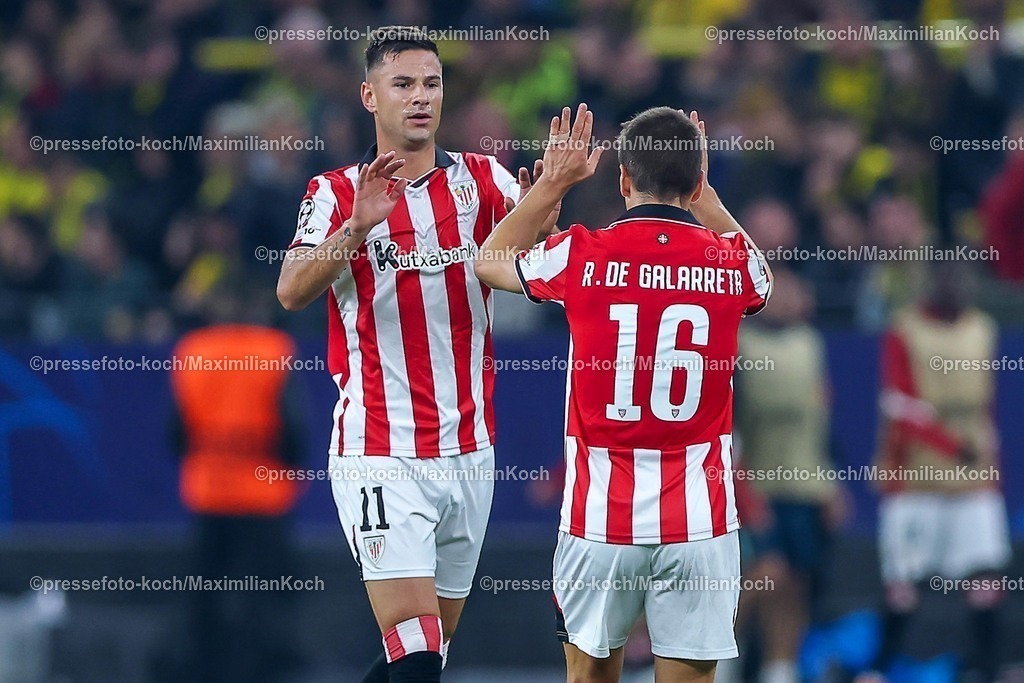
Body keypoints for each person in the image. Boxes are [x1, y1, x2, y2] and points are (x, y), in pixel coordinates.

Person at [275, 27, 556, 683]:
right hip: (382, 450)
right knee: (419, 654)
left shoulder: (483, 180)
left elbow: (540, 257)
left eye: (431, 83)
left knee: (427, 651)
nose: (421, 97)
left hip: (470, 450)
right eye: (403, 84)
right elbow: (290, 290)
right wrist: (358, 228)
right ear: (370, 96)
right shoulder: (335, 192)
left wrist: (550, 200)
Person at [475, 104, 773, 683]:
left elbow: (487, 262)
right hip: (700, 522)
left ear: (622, 178)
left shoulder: (581, 253)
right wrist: (704, 193)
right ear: (697, 182)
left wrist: (550, 186)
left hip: (600, 518)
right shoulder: (731, 262)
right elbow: (763, 276)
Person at [867, 261, 1011, 683]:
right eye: (947, 278)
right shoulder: (905, 330)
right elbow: (900, 404)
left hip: (973, 482)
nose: (956, 287)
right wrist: (951, 446)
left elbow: (986, 407)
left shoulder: (983, 329)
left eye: (963, 279)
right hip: (916, 481)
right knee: (903, 584)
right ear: (932, 283)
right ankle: (879, 669)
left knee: (984, 579)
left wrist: (990, 469)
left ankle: (986, 669)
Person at [169, 288, 305, 683]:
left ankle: (205, 669)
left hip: (208, 491)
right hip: (263, 495)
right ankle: (262, 673)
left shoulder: (192, 351)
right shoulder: (274, 350)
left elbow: (175, 433)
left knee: (206, 590)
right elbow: (293, 433)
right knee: (265, 594)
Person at [733, 269, 846, 683]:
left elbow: (821, 420)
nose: (786, 300)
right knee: (765, 573)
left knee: (796, 582)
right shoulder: (740, 344)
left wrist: (832, 485)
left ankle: (781, 667)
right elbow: (730, 424)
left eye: (794, 292)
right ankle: (714, 654)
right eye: (778, 292)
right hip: (758, 487)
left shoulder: (810, 344)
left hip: (807, 486)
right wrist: (739, 487)